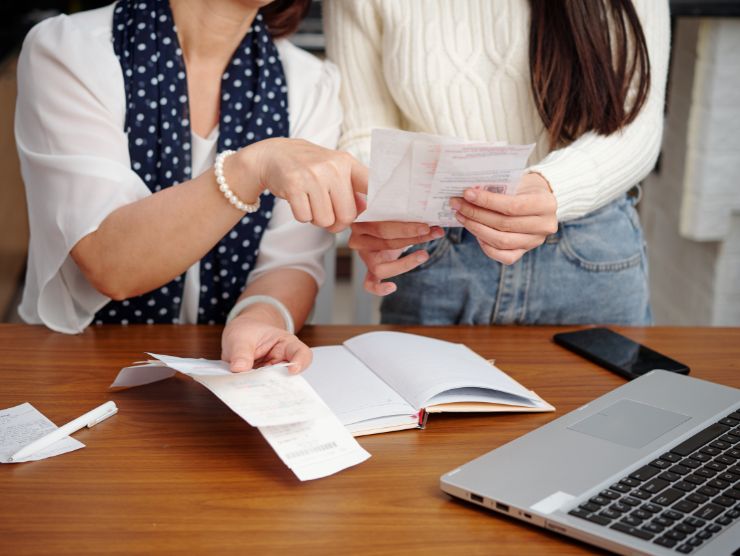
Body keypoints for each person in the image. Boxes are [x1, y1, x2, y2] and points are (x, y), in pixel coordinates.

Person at [16, 0, 366, 371]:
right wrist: (249, 168)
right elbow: (111, 265)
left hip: (228, 378)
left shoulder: (310, 83)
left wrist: (258, 322)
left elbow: (290, 261)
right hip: (74, 368)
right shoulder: (72, 49)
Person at [325, 0, 669, 326]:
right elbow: (364, 132)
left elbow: (636, 126)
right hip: (435, 248)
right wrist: (385, 205)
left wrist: (553, 188)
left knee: (604, 390)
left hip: (588, 243)